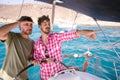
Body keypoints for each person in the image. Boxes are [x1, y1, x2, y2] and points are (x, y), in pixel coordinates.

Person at [34, 15, 100, 80]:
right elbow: (36, 60)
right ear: (39, 26)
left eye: (48, 24)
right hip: (45, 77)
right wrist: (44, 60)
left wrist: (86, 32)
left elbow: (72, 34)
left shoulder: (56, 37)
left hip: (59, 75)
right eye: (45, 24)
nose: (47, 26)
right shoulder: (36, 44)